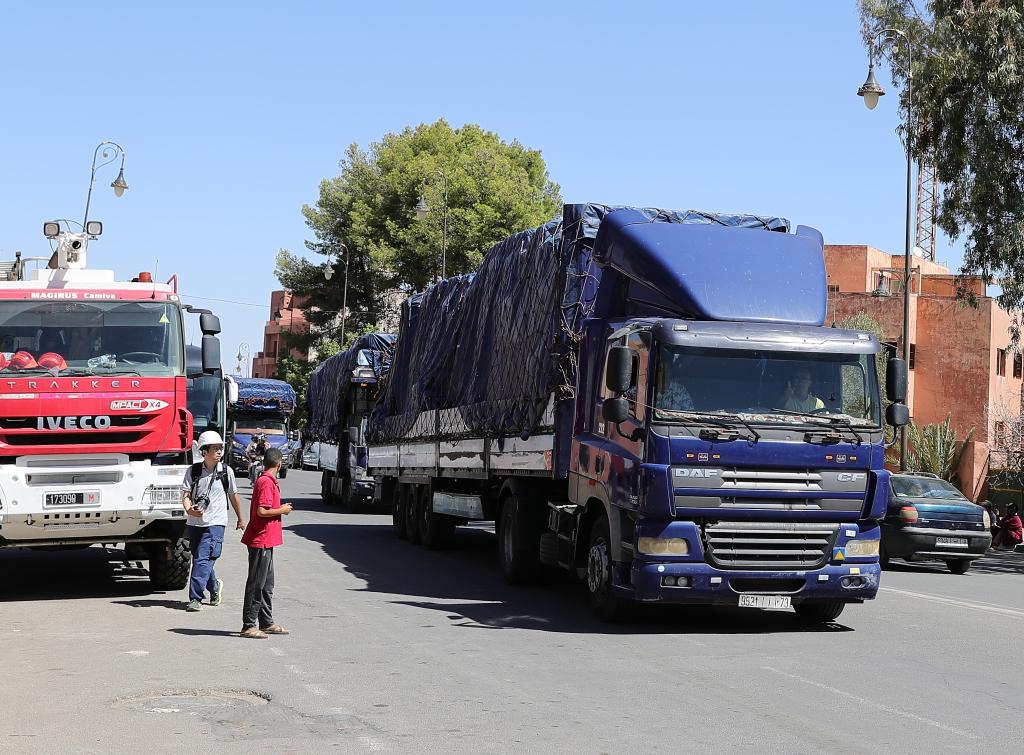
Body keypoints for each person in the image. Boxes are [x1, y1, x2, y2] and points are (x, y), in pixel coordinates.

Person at [181, 430, 246, 612]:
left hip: (216, 523)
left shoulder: (226, 471)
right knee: (202, 559)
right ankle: (215, 587)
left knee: (202, 560)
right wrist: (189, 510)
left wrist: (240, 519)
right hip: (195, 523)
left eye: (220, 448)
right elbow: (185, 495)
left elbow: (233, 496)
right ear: (204, 451)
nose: (219, 452)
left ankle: (195, 598)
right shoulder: (193, 471)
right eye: (215, 448)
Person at [240, 447, 293, 639]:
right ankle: (249, 625)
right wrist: (282, 510)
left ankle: (266, 622)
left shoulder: (268, 481)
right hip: (260, 539)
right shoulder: (265, 482)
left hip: (267, 539)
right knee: (256, 583)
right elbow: (262, 511)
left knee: (267, 584)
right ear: (279, 464)